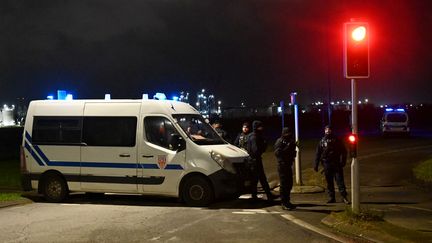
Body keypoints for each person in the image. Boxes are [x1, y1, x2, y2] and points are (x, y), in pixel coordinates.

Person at [314, 125, 349, 204]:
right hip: (327, 164)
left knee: (340, 181)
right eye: (326, 130)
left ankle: (344, 197)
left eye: (329, 130)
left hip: (336, 163)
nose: (327, 131)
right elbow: (318, 153)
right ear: (324, 131)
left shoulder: (337, 140)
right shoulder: (322, 141)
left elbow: (344, 151)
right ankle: (332, 197)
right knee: (329, 182)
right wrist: (315, 164)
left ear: (331, 130)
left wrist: (343, 161)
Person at [246, 120, 276, 201]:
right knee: (260, 179)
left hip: (253, 160)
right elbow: (256, 150)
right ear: (257, 127)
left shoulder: (251, 136)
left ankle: (256, 195)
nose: (262, 128)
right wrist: (264, 145)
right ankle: (267, 195)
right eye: (260, 127)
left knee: (256, 180)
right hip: (255, 161)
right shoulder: (254, 137)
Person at [274, 127, 297, 210]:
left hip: (288, 165)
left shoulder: (290, 141)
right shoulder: (279, 141)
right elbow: (278, 153)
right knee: (284, 184)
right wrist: (288, 147)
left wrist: (293, 149)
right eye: (287, 133)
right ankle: (284, 202)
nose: (289, 135)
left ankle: (287, 201)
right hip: (282, 165)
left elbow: (293, 153)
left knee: (289, 184)